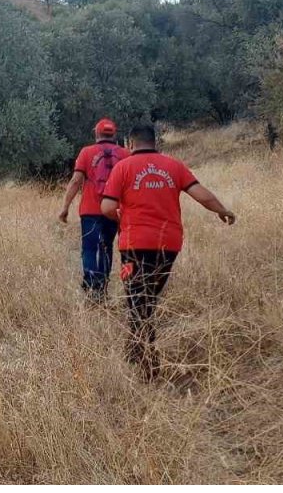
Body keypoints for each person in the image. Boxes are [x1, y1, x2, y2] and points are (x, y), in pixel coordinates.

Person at [100, 123, 237, 380]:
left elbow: (107, 206)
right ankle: (135, 351)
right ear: (154, 142)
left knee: (138, 301)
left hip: (134, 244)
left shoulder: (123, 167)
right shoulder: (174, 165)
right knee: (147, 298)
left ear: (130, 144)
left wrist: (121, 218)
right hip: (169, 244)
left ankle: (148, 365)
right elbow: (201, 194)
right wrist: (222, 210)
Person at [59, 118, 130, 301]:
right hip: (114, 210)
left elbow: (76, 181)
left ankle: (92, 289)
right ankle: (103, 287)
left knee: (90, 249)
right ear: (114, 134)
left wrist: (65, 207)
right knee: (106, 248)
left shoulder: (87, 152)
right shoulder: (125, 154)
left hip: (90, 210)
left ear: (96, 133)